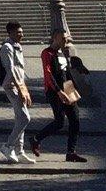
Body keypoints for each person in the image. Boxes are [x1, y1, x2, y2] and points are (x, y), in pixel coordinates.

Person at [29, 32, 88, 163]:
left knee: (75, 119)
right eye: (63, 39)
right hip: (54, 90)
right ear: (55, 38)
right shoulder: (47, 53)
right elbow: (48, 74)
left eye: (67, 39)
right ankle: (35, 139)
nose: (65, 42)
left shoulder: (62, 53)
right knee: (59, 122)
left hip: (68, 87)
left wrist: (74, 90)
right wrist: (58, 91)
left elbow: (66, 72)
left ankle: (71, 152)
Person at [0, 21, 37, 164]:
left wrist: (24, 88)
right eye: (18, 32)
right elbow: (11, 70)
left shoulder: (18, 47)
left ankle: (20, 151)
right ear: (10, 33)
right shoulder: (7, 47)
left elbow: (20, 70)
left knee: (21, 118)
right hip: (12, 86)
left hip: (19, 85)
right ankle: (8, 146)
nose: (22, 35)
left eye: (22, 32)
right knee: (25, 118)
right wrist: (20, 88)